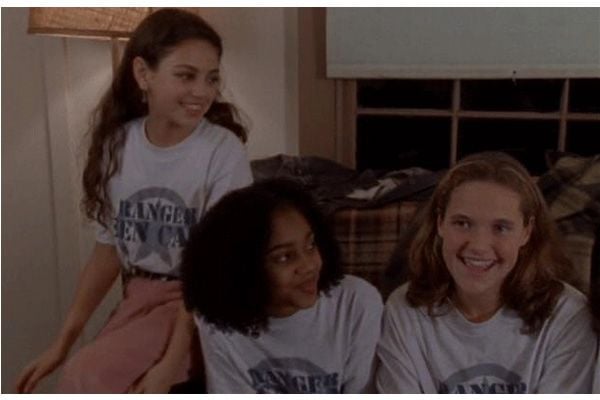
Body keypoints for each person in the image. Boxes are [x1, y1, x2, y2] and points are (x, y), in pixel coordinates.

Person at [15, 8, 252, 394]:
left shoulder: (222, 151)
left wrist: (169, 364)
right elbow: (108, 251)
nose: (202, 92)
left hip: (201, 303)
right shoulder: (118, 146)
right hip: (140, 298)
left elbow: (214, 269)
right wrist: (62, 343)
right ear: (143, 74)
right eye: (186, 75)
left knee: (88, 377)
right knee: (81, 372)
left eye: (211, 78)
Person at [376, 151, 598, 393]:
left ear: (526, 232)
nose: (479, 246)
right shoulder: (404, 309)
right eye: (462, 223)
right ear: (440, 223)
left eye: (501, 228)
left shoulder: (567, 315)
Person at [180, 178, 383, 393]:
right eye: (284, 257)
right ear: (243, 269)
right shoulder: (219, 322)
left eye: (311, 245)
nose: (308, 266)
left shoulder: (356, 303)